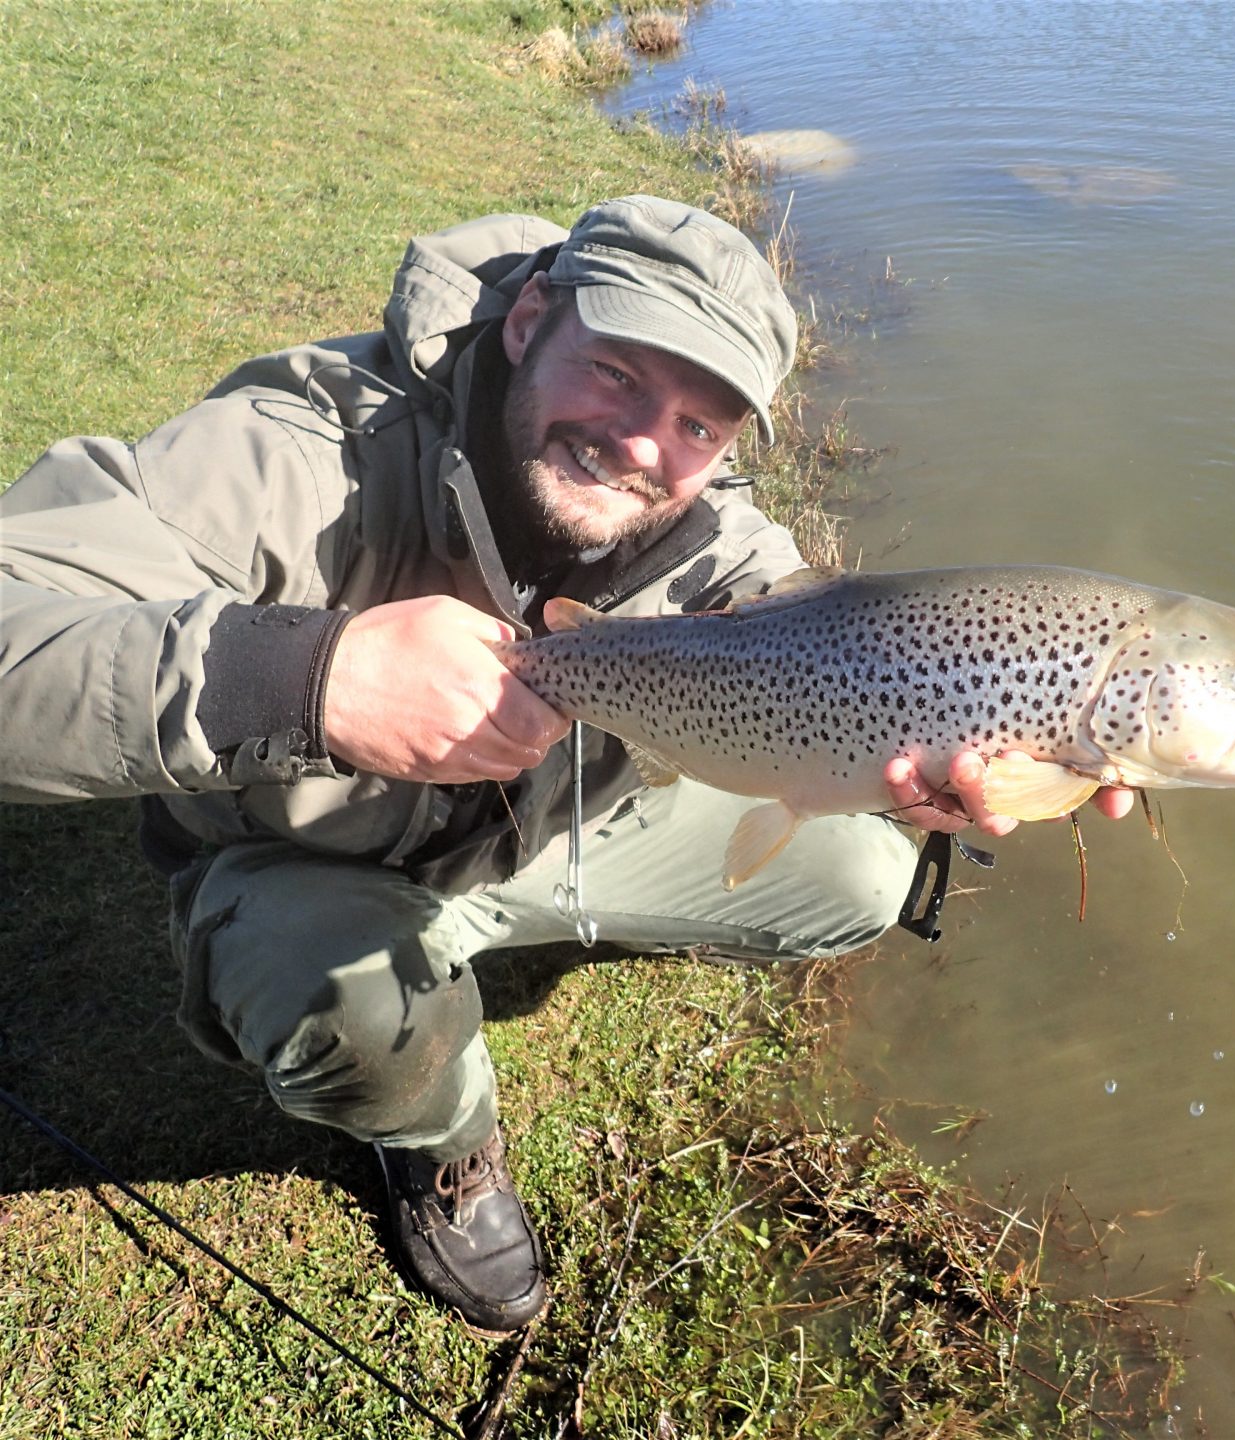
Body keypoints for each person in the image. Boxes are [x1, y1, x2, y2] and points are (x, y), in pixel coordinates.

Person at [0, 195, 1129, 1335]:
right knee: (350, 1013)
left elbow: (824, 626)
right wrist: (309, 680)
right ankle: (443, 1142)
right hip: (308, 857)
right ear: (531, 317)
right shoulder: (298, 457)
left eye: (700, 425)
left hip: (541, 837)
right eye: (622, 374)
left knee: (863, 880)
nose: (646, 446)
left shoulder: (711, 541)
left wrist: (980, 747)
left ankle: (506, 932)